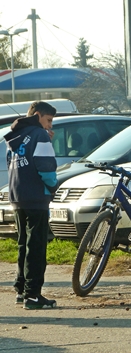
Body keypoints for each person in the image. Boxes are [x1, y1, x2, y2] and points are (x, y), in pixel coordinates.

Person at [4, 101, 59, 309]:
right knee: (36, 247)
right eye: (48, 120)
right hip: (37, 196)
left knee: (23, 244)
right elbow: (46, 167)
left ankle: (21, 290)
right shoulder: (39, 135)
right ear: (38, 116)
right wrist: (53, 187)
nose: (49, 126)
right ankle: (33, 295)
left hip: (18, 196)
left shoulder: (16, 137)